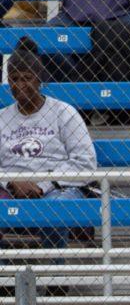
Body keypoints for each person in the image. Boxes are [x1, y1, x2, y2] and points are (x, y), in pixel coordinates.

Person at [0, 38, 98, 248]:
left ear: (39, 79)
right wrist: (11, 183)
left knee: (54, 209)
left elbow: (85, 162)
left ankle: (56, 275)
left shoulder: (64, 113)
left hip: (57, 187)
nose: (20, 85)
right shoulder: (2, 118)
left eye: (27, 78)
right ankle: (3, 274)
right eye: (14, 79)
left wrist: (42, 185)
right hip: (10, 188)